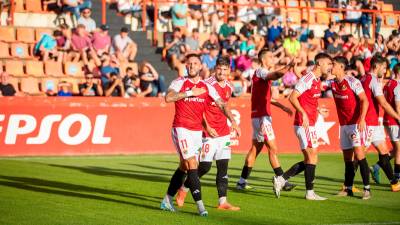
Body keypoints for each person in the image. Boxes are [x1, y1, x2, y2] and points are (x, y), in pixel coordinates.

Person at [160, 54, 240, 216]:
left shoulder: (206, 86)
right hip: (181, 128)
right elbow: (168, 98)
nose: (191, 66)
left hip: (197, 131)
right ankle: (201, 208)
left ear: (200, 66)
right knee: (193, 164)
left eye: (195, 63)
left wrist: (233, 122)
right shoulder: (180, 82)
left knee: (185, 166)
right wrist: (190, 93)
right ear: (186, 66)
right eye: (189, 63)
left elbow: (222, 105)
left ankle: (167, 199)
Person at [236, 49, 295, 196]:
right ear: (263, 59)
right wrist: (288, 67)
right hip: (263, 117)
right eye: (270, 57)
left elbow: (266, 97)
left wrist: (281, 106)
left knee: (255, 149)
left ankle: (242, 181)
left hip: (257, 116)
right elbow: (275, 75)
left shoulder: (259, 75)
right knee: (273, 148)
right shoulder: (261, 71)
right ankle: (281, 179)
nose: (272, 59)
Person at [277, 53, 333, 201]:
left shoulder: (315, 80)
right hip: (304, 123)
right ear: (319, 63)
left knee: (311, 158)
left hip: (310, 123)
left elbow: (309, 99)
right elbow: (292, 97)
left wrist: (318, 110)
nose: (330, 67)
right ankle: (309, 192)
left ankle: (282, 179)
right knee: (312, 157)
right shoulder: (308, 79)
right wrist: (304, 113)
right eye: (328, 64)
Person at [325, 56, 371, 199]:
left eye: (333, 64)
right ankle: (348, 188)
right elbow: (315, 85)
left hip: (355, 124)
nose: (330, 67)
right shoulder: (331, 82)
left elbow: (365, 100)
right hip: (343, 125)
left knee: (359, 154)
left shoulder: (353, 82)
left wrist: (362, 119)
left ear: (341, 67)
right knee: (347, 159)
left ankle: (367, 189)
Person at [359, 55, 400, 192]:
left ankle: (394, 183)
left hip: (374, 123)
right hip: (369, 123)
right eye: (384, 67)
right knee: (359, 154)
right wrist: (398, 117)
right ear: (376, 66)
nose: (385, 70)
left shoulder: (364, 78)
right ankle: (347, 185)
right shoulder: (373, 81)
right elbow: (383, 103)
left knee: (383, 152)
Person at [370, 63, 400, 185]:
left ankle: (376, 167)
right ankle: (397, 178)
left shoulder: (388, 84)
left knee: (396, 149)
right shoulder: (397, 85)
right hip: (394, 120)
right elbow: (398, 105)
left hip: (388, 119)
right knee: (398, 151)